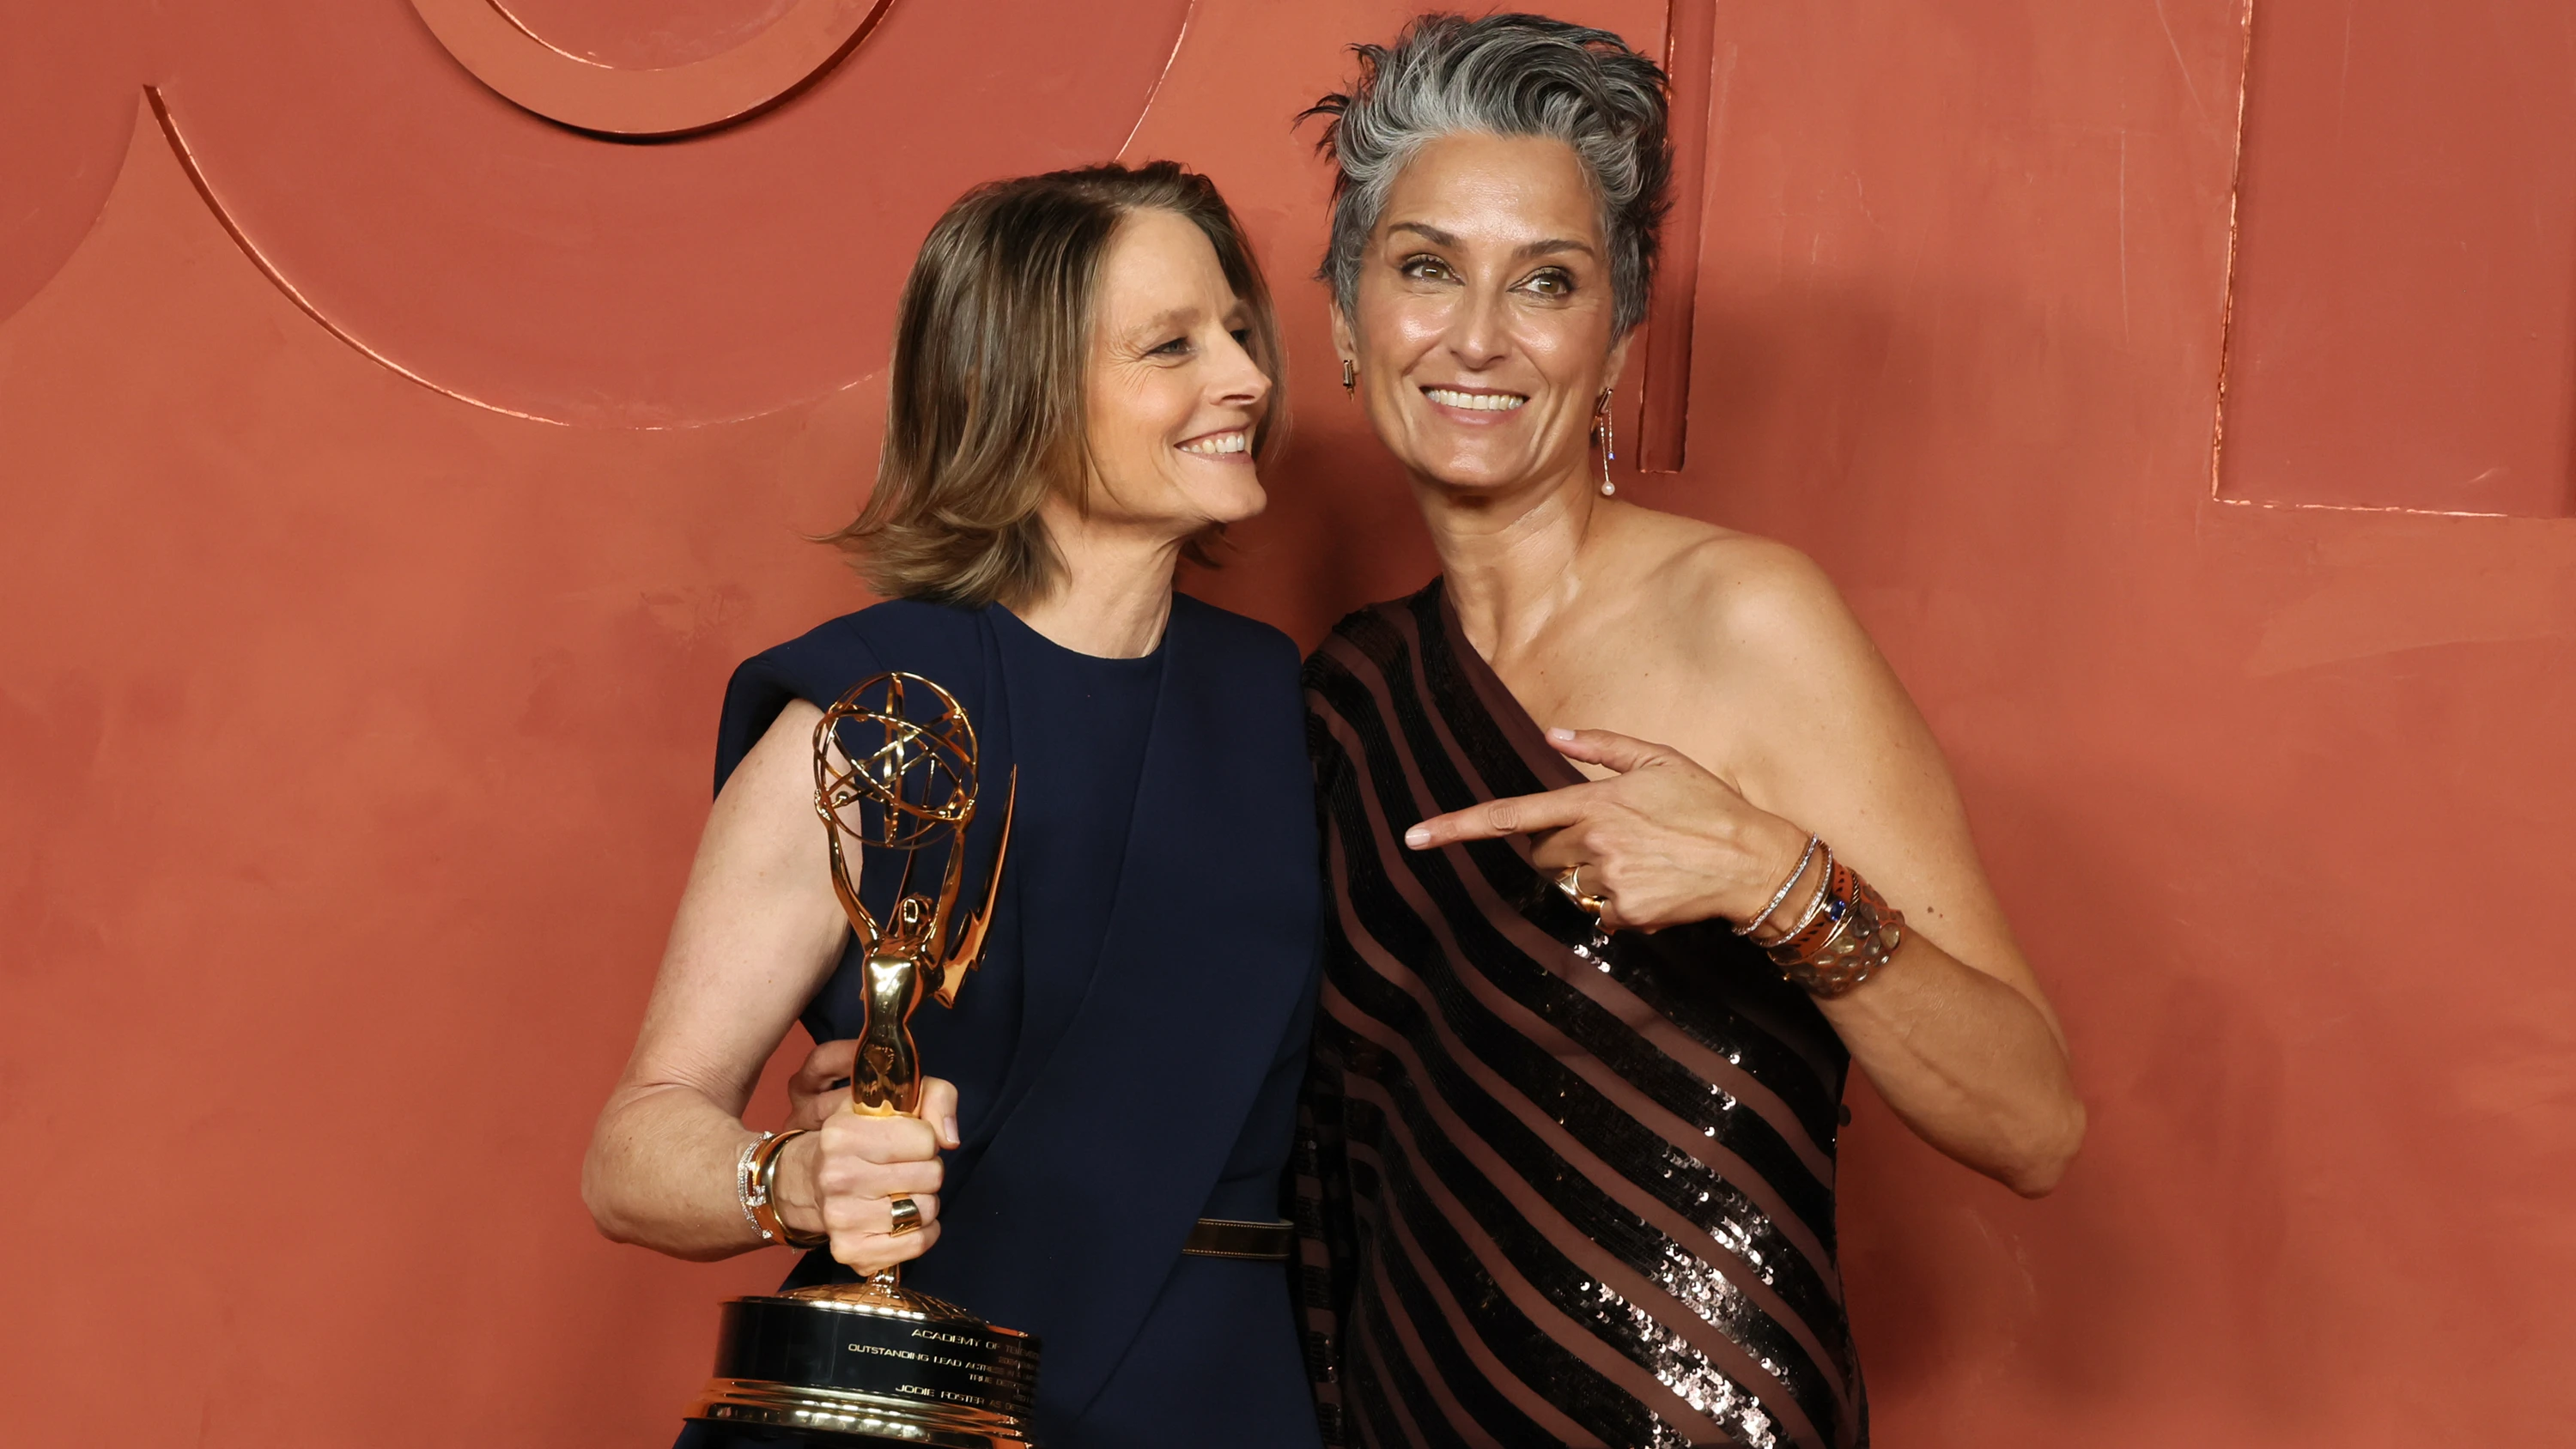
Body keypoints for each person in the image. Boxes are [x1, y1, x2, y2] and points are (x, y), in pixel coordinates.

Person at [1293, 16, 2086, 1449]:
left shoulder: (1747, 619)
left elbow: (2032, 1120)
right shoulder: (1350, 693)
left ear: (1616, 343)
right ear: (1349, 319)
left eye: (1547, 282)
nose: (1478, 335)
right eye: (1425, 269)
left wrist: (1780, 881)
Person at [581, 161, 1326, 1449]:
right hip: (914, 1399)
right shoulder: (868, 713)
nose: (1248, 377)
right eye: (1172, 346)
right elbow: (632, 1152)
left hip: (1224, 1392)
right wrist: (794, 1178)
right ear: (1015, 392)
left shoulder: (1288, 704)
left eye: (1240, 332)